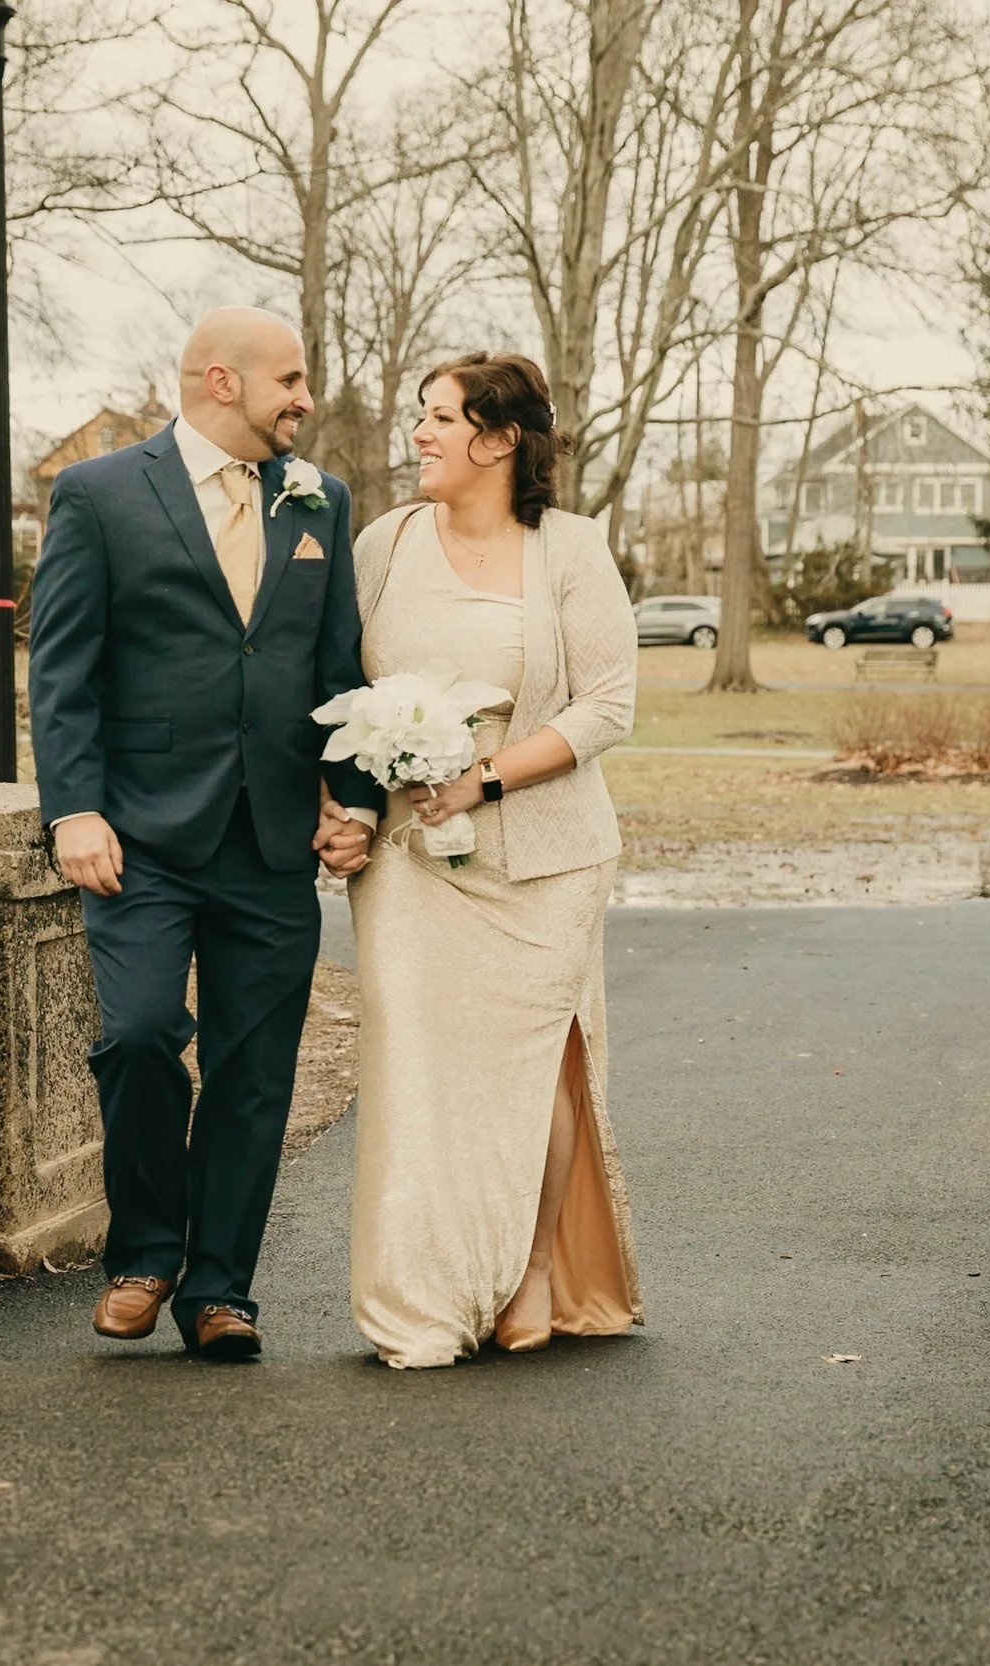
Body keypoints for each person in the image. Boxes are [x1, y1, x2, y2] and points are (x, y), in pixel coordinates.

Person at [28, 307, 379, 1361]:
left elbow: (337, 666)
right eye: (292, 380)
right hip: (136, 835)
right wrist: (72, 807)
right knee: (136, 1037)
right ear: (222, 381)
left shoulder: (319, 499)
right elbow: (62, 668)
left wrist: (353, 796)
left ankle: (220, 1287)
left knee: (254, 1069)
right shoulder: (98, 494)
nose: (306, 401)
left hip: (270, 839)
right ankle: (143, 1253)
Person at [345, 352, 643, 1369]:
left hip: (545, 857)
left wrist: (484, 779)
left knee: (538, 1071)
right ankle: (420, 1291)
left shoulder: (567, 548)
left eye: (439, 418)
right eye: (421, 417)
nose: (420, 435)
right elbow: (331, 682)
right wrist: (346, 800)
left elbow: (608, 702)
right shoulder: (382, 544)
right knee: (419, 1072)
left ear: (500, 438)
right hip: (408, 861)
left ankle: (532, 1274)